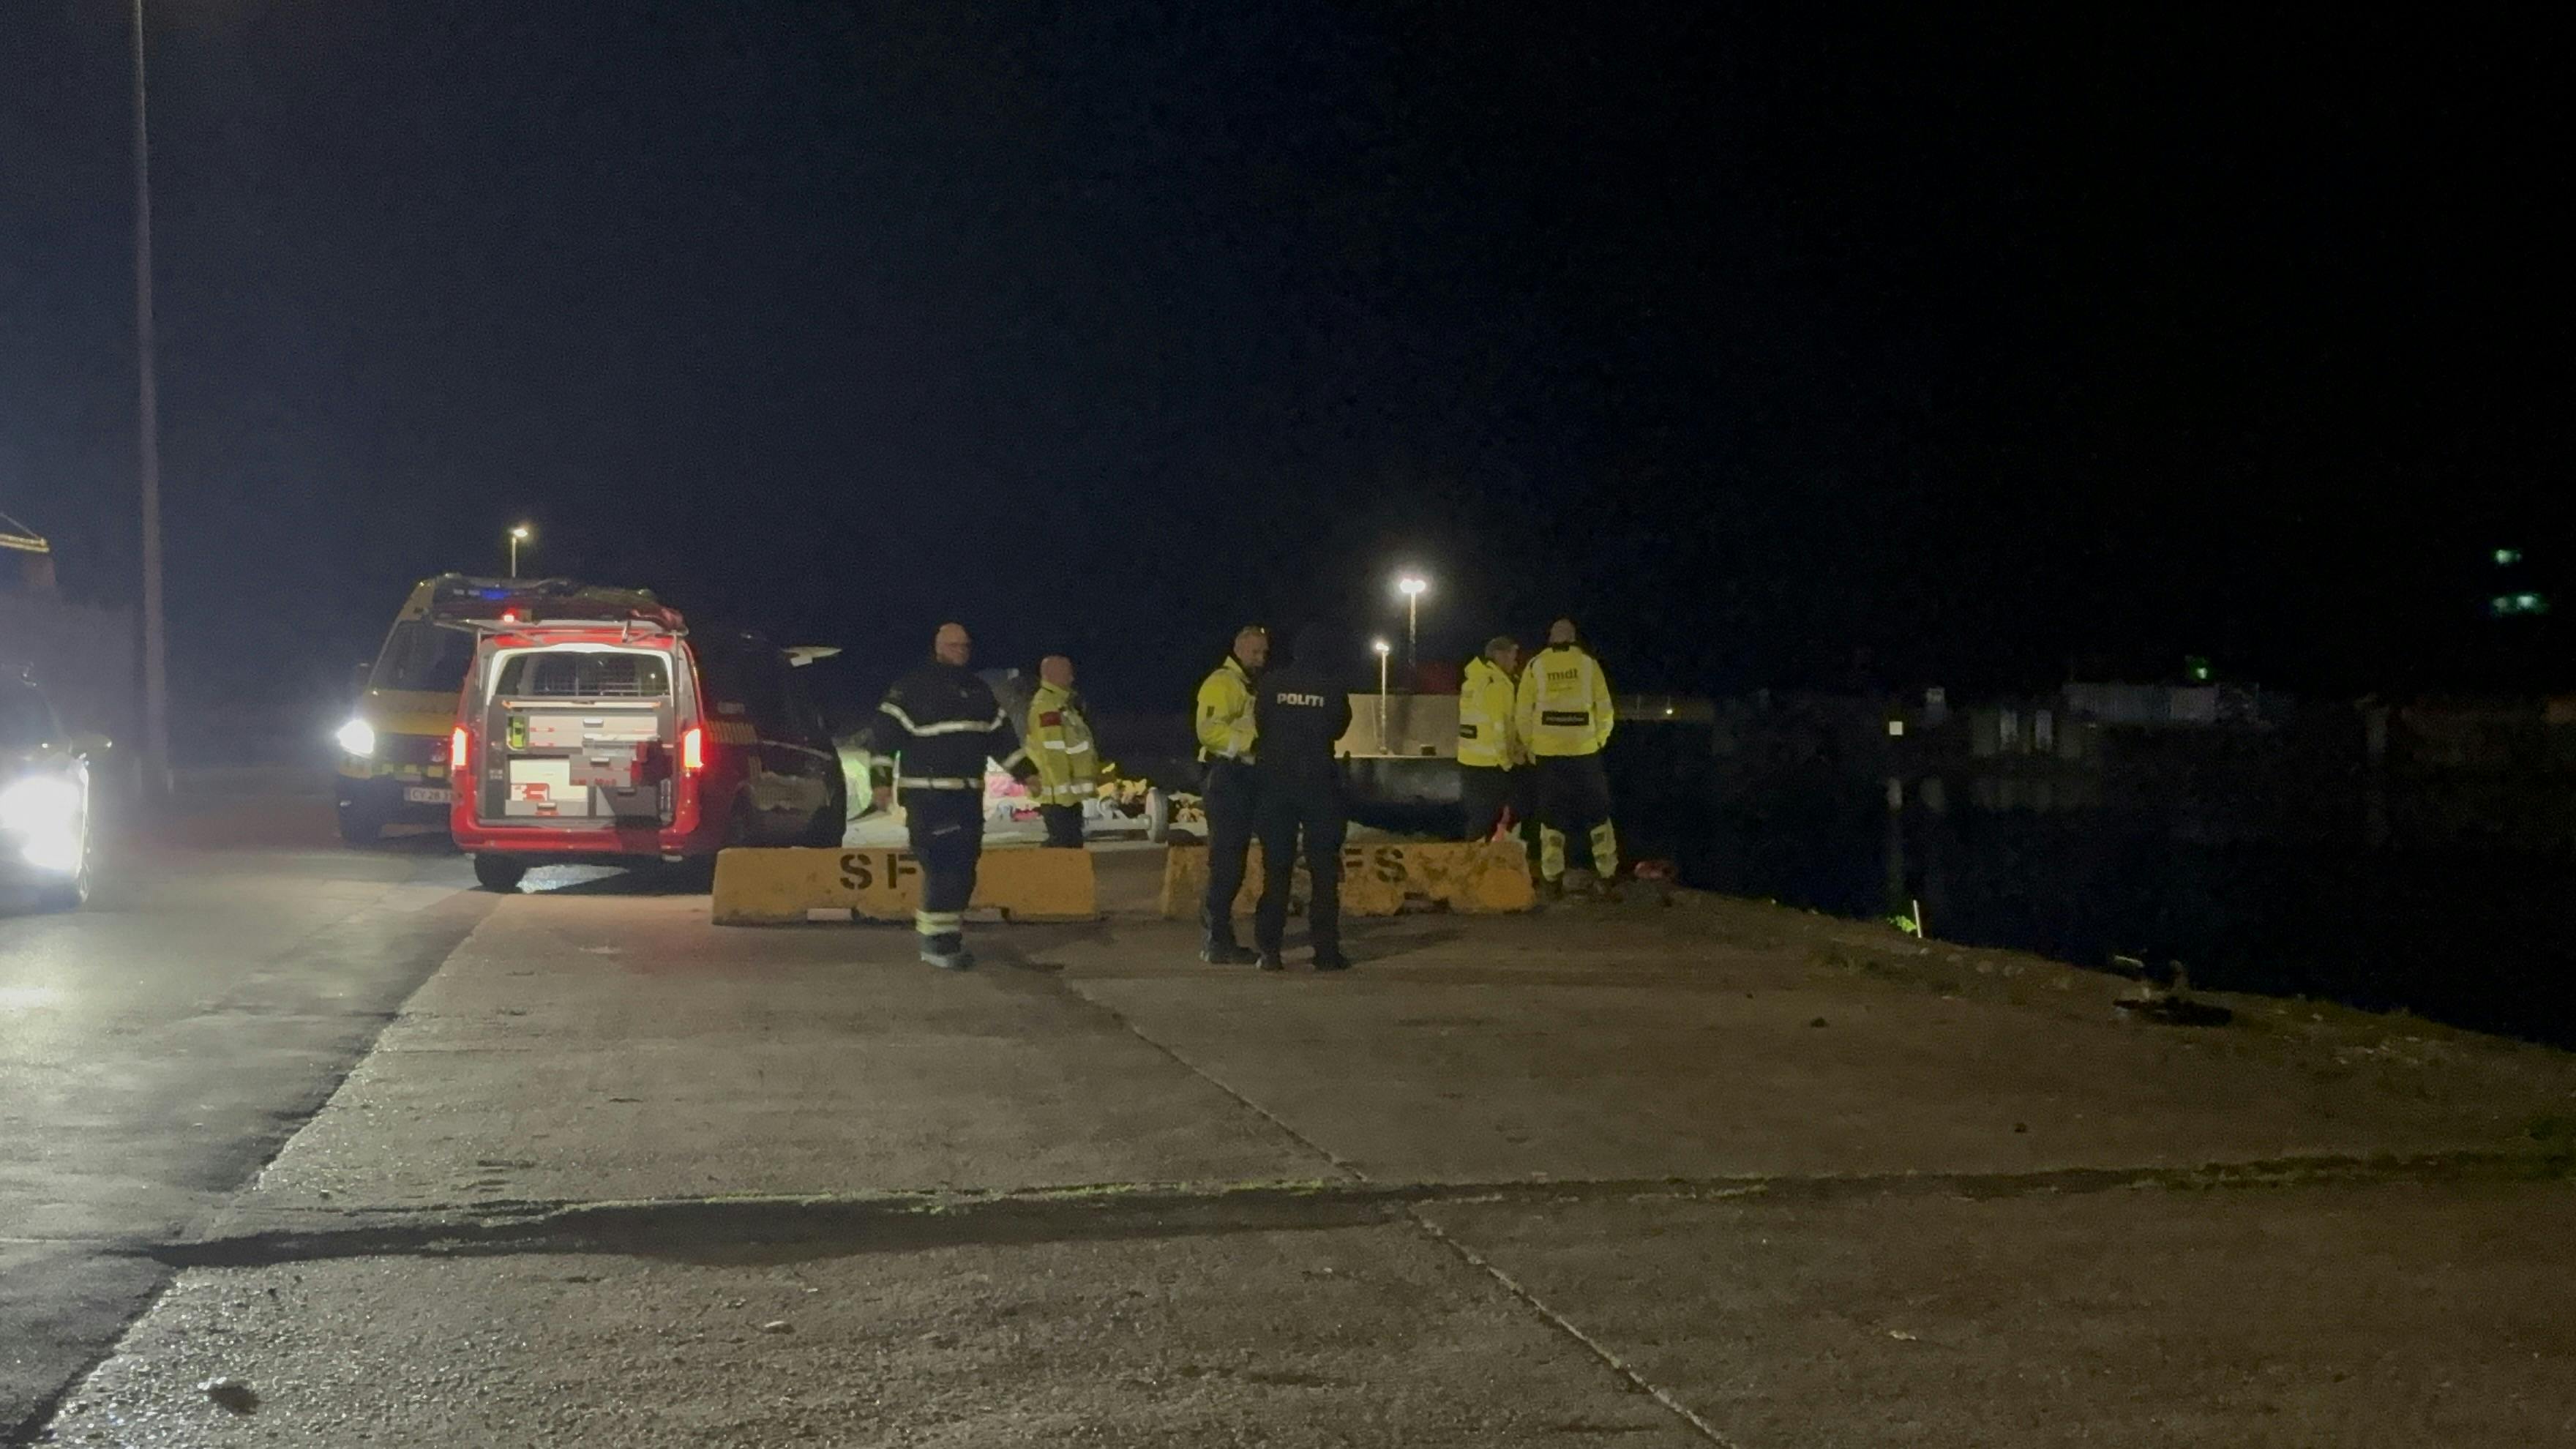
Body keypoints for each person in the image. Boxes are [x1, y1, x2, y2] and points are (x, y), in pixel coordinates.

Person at [850, 623, 1038, 970]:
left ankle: (946, 937)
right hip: (928, 798)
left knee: (963, 870)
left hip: (967, 798)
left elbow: (1001, 740)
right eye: (954, 646)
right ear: (938, 648)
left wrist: (1027, 773)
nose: (961, 651)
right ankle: (936, 944)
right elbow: (883, 740)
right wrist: (881, 783)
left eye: (965, 646)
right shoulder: (911, 689)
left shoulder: (978, 691)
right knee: (943, 870)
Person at [1252, 622, 1354, 970]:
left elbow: (1261, 724)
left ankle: (1269, 951)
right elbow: (1339, 728)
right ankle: (1326, 952)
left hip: (1276, 786)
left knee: (1276, 869)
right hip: (1319, 786)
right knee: (1323, 873)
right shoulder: (1332, 687)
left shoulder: (1271, 684)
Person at [1515, 617, 1618, 891]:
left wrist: (1531, 745)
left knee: (1551, 816)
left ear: (1551, 638)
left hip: (1548, 754)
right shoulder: (1588, 664)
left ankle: (1552, 876)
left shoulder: (1536, 665)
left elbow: (1523, 711)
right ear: (1573, 638)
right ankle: (1607, 872)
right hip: (1584, 751)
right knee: (1598, 813)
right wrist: (1598, 740)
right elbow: (1605, 709)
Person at [1194, 625, 1268, 963]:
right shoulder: (1222, 683)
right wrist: (1252, 744)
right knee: (1226, 862)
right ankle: (1217, 940)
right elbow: (1209, 731)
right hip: (1225, 777)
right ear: (1239, 650)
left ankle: (1219, 937)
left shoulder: (1243, 684)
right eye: (1255, 652)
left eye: (1264, 652)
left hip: (1240, 777)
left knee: (1232, 861)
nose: (1261, 658)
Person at [1457, 634, 1527, 842]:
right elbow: (1500, 727)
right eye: (1513, 656)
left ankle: (1475, 857)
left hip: (1469, 761)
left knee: (1479, 819)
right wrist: (1508, 761)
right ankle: (1483, 859)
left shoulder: (1474, 679)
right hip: (1490, 764)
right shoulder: (1497, 684)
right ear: (1500, 655)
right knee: (1491, 819)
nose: (1515, 662)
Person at [1025, 654, 1098, 849]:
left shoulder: (1061, 704)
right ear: (1052, 675)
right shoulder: (1048, 706)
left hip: (1066, 798)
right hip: (1059, 800)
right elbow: (1052, 753)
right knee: (1064, 848)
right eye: (1067, 674)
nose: (1072, 678)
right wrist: (1064, 794)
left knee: (1069, 848)